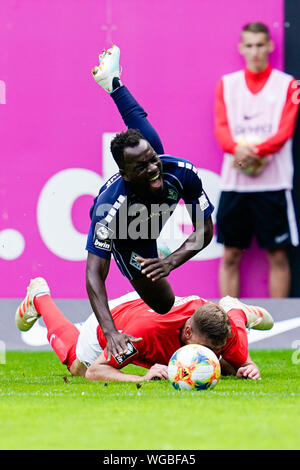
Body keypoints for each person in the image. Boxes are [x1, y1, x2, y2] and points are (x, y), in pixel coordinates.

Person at [86, 45, 214, 360]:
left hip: (152, 220)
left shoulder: (179, 172)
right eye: (141, 167)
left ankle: (113, 83)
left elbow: (205, 229)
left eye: (152, 161)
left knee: (148, 138)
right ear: (125, 174)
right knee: (163, 303)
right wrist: (112, 332)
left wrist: (173, 260)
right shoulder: (110, 210)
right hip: (132, 238)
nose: (153, 168)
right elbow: (93, 275)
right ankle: (111, 82)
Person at [15, 277, 274, 382]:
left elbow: (239, 363)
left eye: (214, 350)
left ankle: (236, 309)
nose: (209, 355)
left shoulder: (221, 333)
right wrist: (142, 378)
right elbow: (96, 372)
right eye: (204, 349)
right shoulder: (138, 336)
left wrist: (247, 367)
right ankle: (40, 297)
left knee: (233, 359)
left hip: (207, 313)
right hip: (116, 320)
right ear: (187, 333)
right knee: (77, 367)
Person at [214, 22, 300, 298]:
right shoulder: (227, 85)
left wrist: (253, 153)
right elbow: (221, 128)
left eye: (260, 45)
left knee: (277, 256)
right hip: (235, 185)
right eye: (249, 45)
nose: (255, 51)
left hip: (273, 185)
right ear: (241, 48)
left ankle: (280, 330)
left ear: (270, 46)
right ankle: (228, 323)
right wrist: (234, 149)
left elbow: (285, 131)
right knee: (230, 255)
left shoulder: (289, 85)